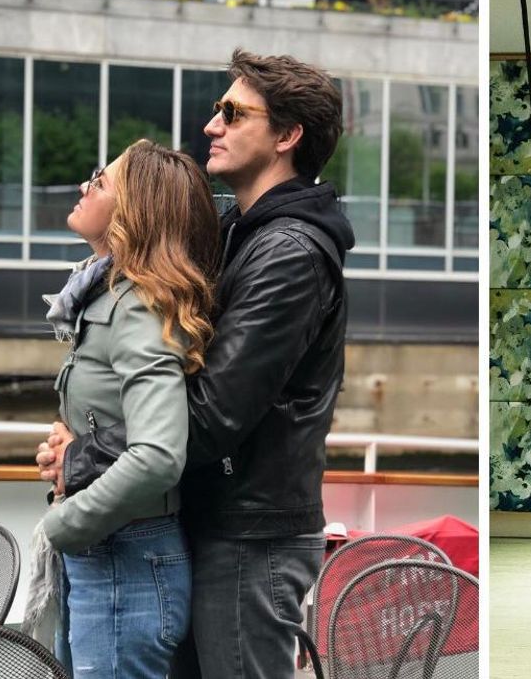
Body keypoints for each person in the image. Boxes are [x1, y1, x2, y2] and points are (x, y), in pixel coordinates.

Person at [38, 49, 354, 679]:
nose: (212, 125)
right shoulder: (244, 232)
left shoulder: (287, 252)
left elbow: (209, 415)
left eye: (233, 113)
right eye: (217, 110)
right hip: (222, 521)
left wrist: (82, 455)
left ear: (287, 136)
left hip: (251, 535)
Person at [38, 139, 220, 677]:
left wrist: (66, 523)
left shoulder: (137, 305)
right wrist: (68, 454)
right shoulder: (105, 295)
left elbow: (159, 455)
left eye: (101, 179)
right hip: (112, 555)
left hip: (125, 559)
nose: (83, 185)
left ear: (133, 210)